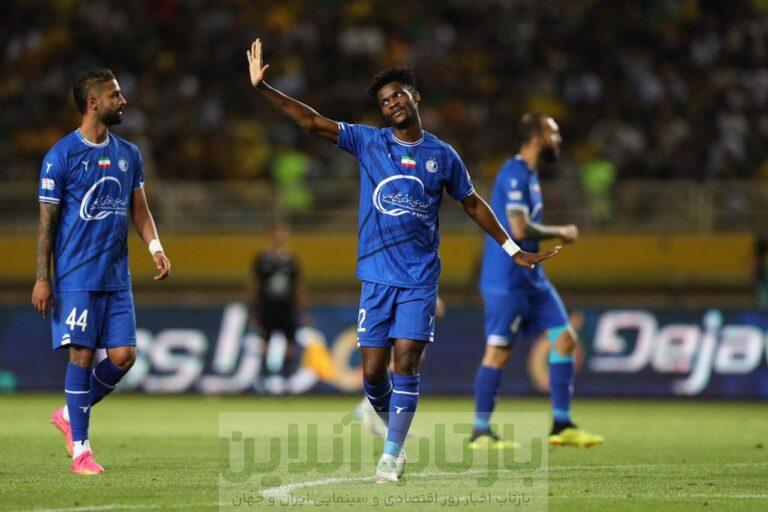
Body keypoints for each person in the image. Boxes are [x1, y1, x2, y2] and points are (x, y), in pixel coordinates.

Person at [246, 39, 560, 482]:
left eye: (398, 95)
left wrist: (513, 249)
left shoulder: (442, 155)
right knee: (373, 373)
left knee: (406, 361)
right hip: (376, 277)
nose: (392, 103)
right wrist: (264, 88)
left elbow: (472, 203)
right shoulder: (369, 142)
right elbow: (313, 122)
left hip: (420, 278)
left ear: (416, 97)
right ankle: (387, 419)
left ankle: (392, 455)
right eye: (384, 100)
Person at [31, 69, 171, 475]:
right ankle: (81, 451)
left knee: (124, 357)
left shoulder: (129, 154)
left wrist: (156, 248)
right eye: (115, 95)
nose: (123, 101)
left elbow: (140, 211)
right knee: (83, 354)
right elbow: (46, 223)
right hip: (76, 275)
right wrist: (42, 277)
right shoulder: (61, 157)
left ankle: (68, 414)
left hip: (116, 276)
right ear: (93, 103)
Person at [473, 113, 603, 449]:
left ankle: (562, 424)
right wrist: (560, 231)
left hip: (533, 277)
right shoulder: (514, 173)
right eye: (553, 133)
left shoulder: (529, 175)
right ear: (535, 137)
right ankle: (480, 431)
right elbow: (518, 228)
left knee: (565, 340)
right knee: (498, 352)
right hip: (507, 279)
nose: (558, 139)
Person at [249, 221, 304, 389]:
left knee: (290, 343)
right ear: (269, 236)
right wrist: (253, 309)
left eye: (281, 234)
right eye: (275, 234)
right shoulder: (261, 259)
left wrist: (302, 310)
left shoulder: (291, 260)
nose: (278, 237)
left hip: (287, 307)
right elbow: (254, 285)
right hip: (267, 307)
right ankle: (263, 381)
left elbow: (298, 286)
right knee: (265, 342)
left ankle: (287, 380)